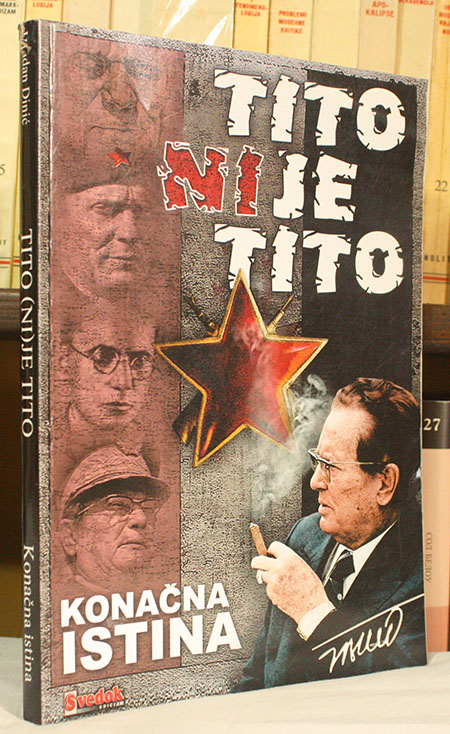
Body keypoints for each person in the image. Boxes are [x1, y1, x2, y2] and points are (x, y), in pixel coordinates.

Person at [236, 378, 426, 690]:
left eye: (331, 466)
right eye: (317, 461)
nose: (315, 482)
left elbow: (392, 695)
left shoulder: (427, 578)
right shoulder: (305, 536)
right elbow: (256, 679)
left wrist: (314, 612)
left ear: (385, 483)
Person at [59, 445, 169, 594]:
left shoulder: (165, 600)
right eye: (118, 505)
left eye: (148, 507)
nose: (141, 519)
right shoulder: (61, 604)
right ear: (70, 536)